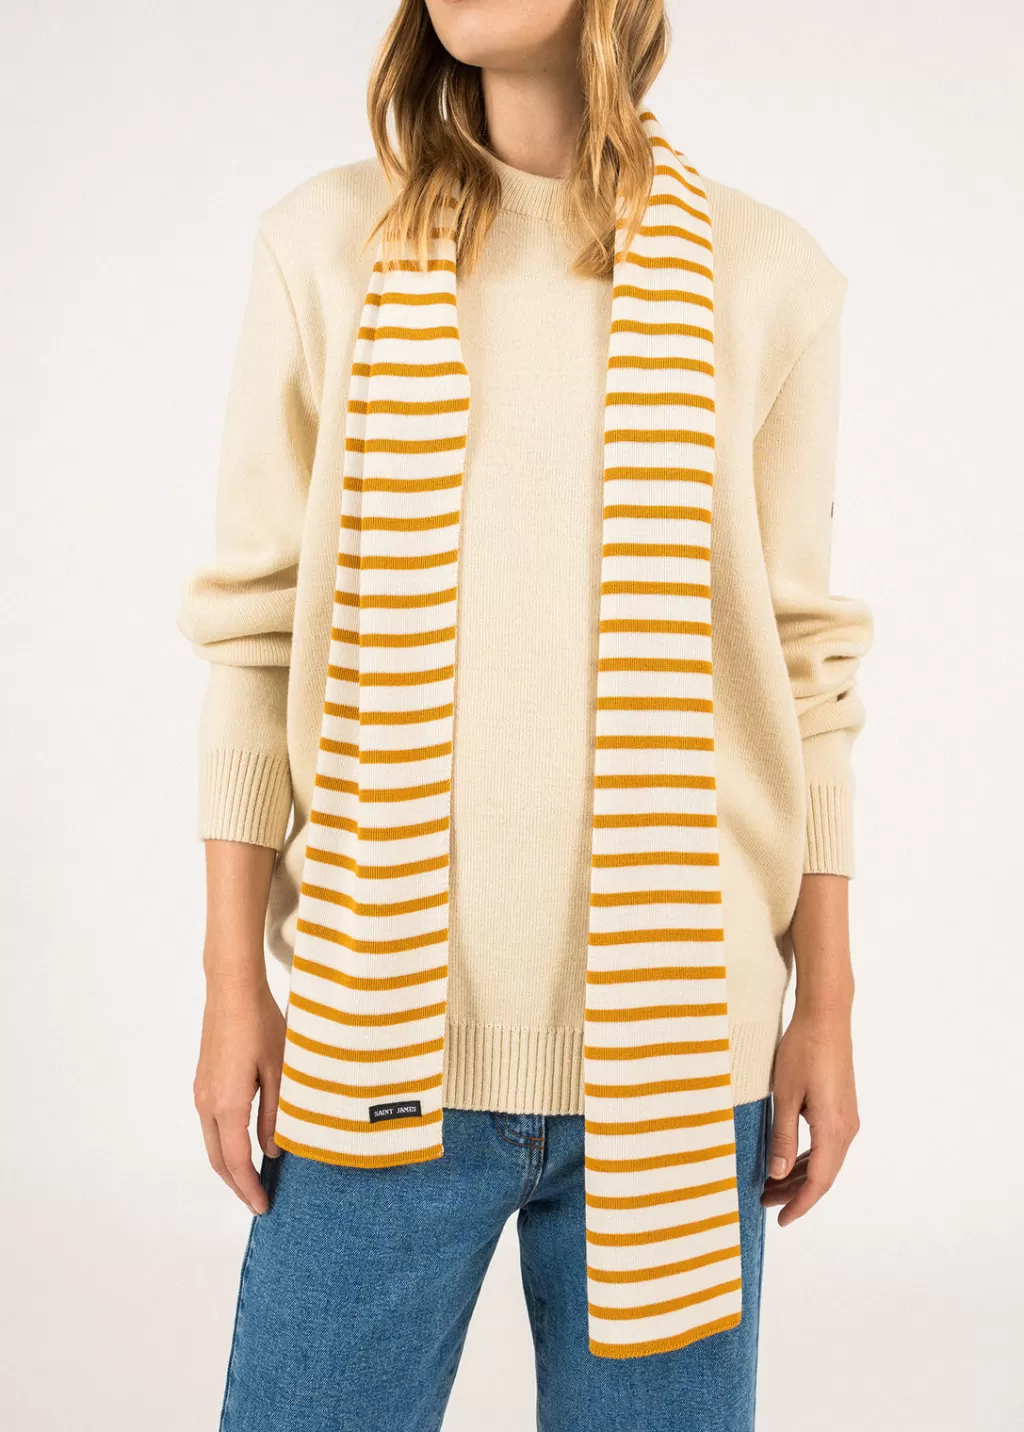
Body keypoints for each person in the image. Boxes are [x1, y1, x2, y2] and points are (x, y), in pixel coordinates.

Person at [178, 1, 872, 1427]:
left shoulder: (768, 279)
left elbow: (807, 677)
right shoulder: (325, 247)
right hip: (374, 1038)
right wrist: (232, 981)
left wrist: (829, 1005)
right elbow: (252, 639)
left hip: (679, 1068)